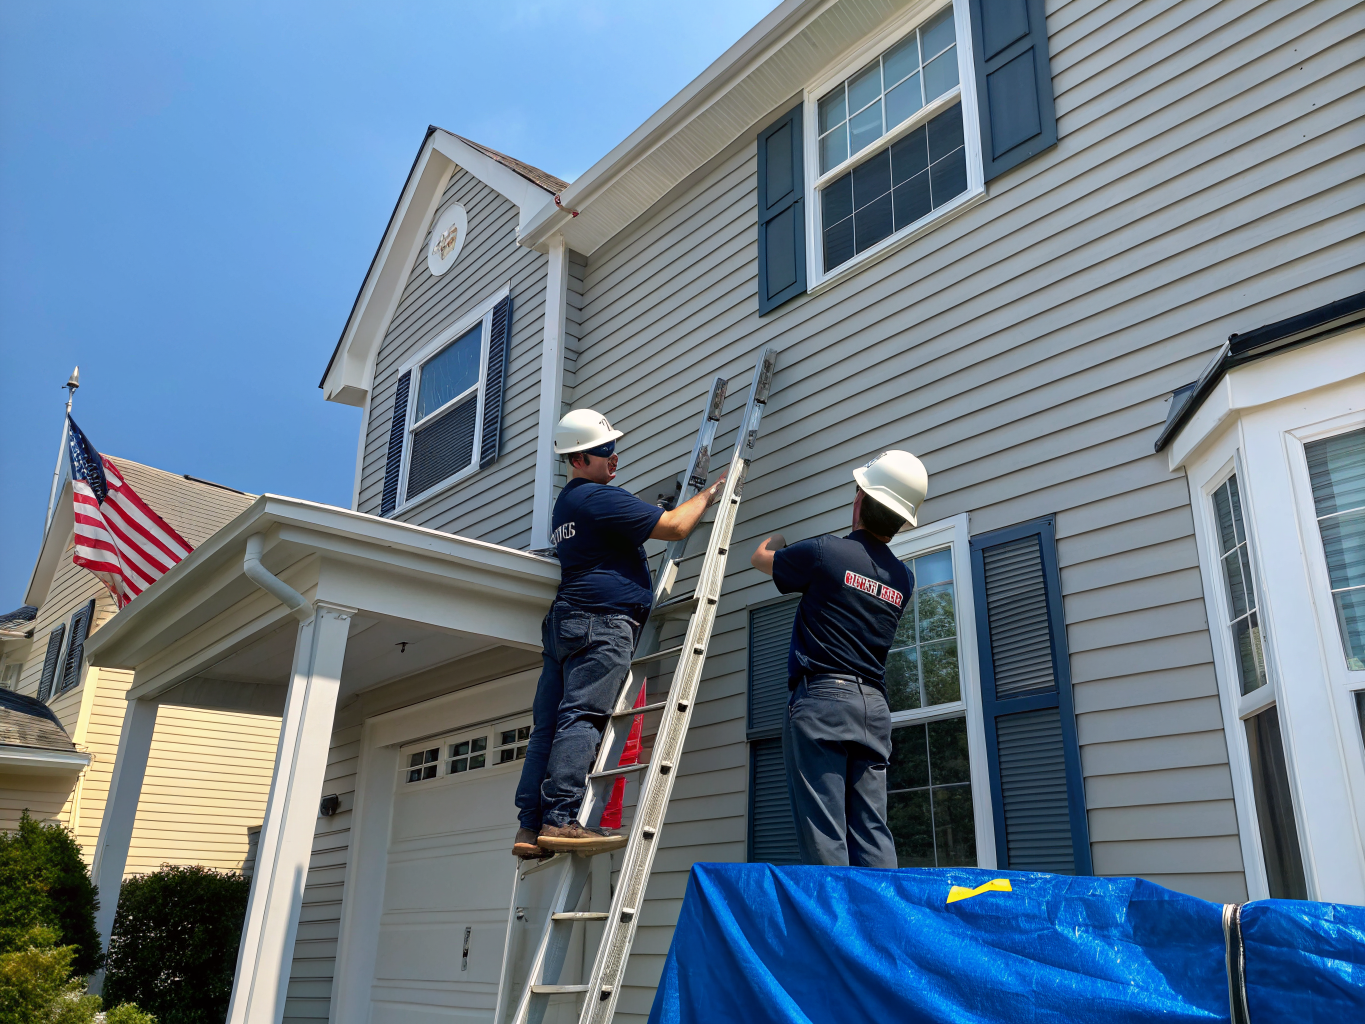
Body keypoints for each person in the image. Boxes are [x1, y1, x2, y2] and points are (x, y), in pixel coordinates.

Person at [514, 408, 726, 857]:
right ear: (577, 460)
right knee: (583, 716)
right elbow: (674, 526)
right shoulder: (595, 498)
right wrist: (709, 493)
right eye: (604, 450)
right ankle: (560, 820)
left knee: (548, 727)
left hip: (567, 621)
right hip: (600, 622)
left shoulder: (567, 505)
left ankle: (530, 828)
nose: (614, 456)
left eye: (613, 447)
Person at [750, 450, 928, 868]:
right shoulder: (904, 580)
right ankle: (878, 926)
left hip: (823, 704)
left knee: (825, 837)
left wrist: (777, 539)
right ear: (903, 520)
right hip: (873, 709)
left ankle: (834, 933)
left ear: (859, 498)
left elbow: (762, 558)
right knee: (872, 832)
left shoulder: (826, 553)